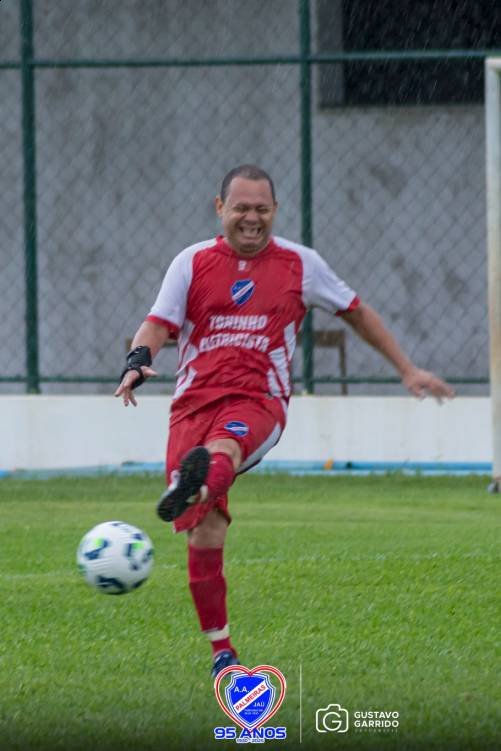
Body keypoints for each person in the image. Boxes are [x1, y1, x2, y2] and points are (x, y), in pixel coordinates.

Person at [115, 164, 454, 678]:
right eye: (241, 208)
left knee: (224, 450)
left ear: (275, 210)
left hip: (259, 401)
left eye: (262, 209)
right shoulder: (192, 262)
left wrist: (406, 369)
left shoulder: (301, 264)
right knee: (204, 533)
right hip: (192, 407)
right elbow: (158, 323)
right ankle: (222, 653)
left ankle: (197, 484)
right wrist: (137, 360)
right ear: (220, 208)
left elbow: (356, 311)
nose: (251, 218)